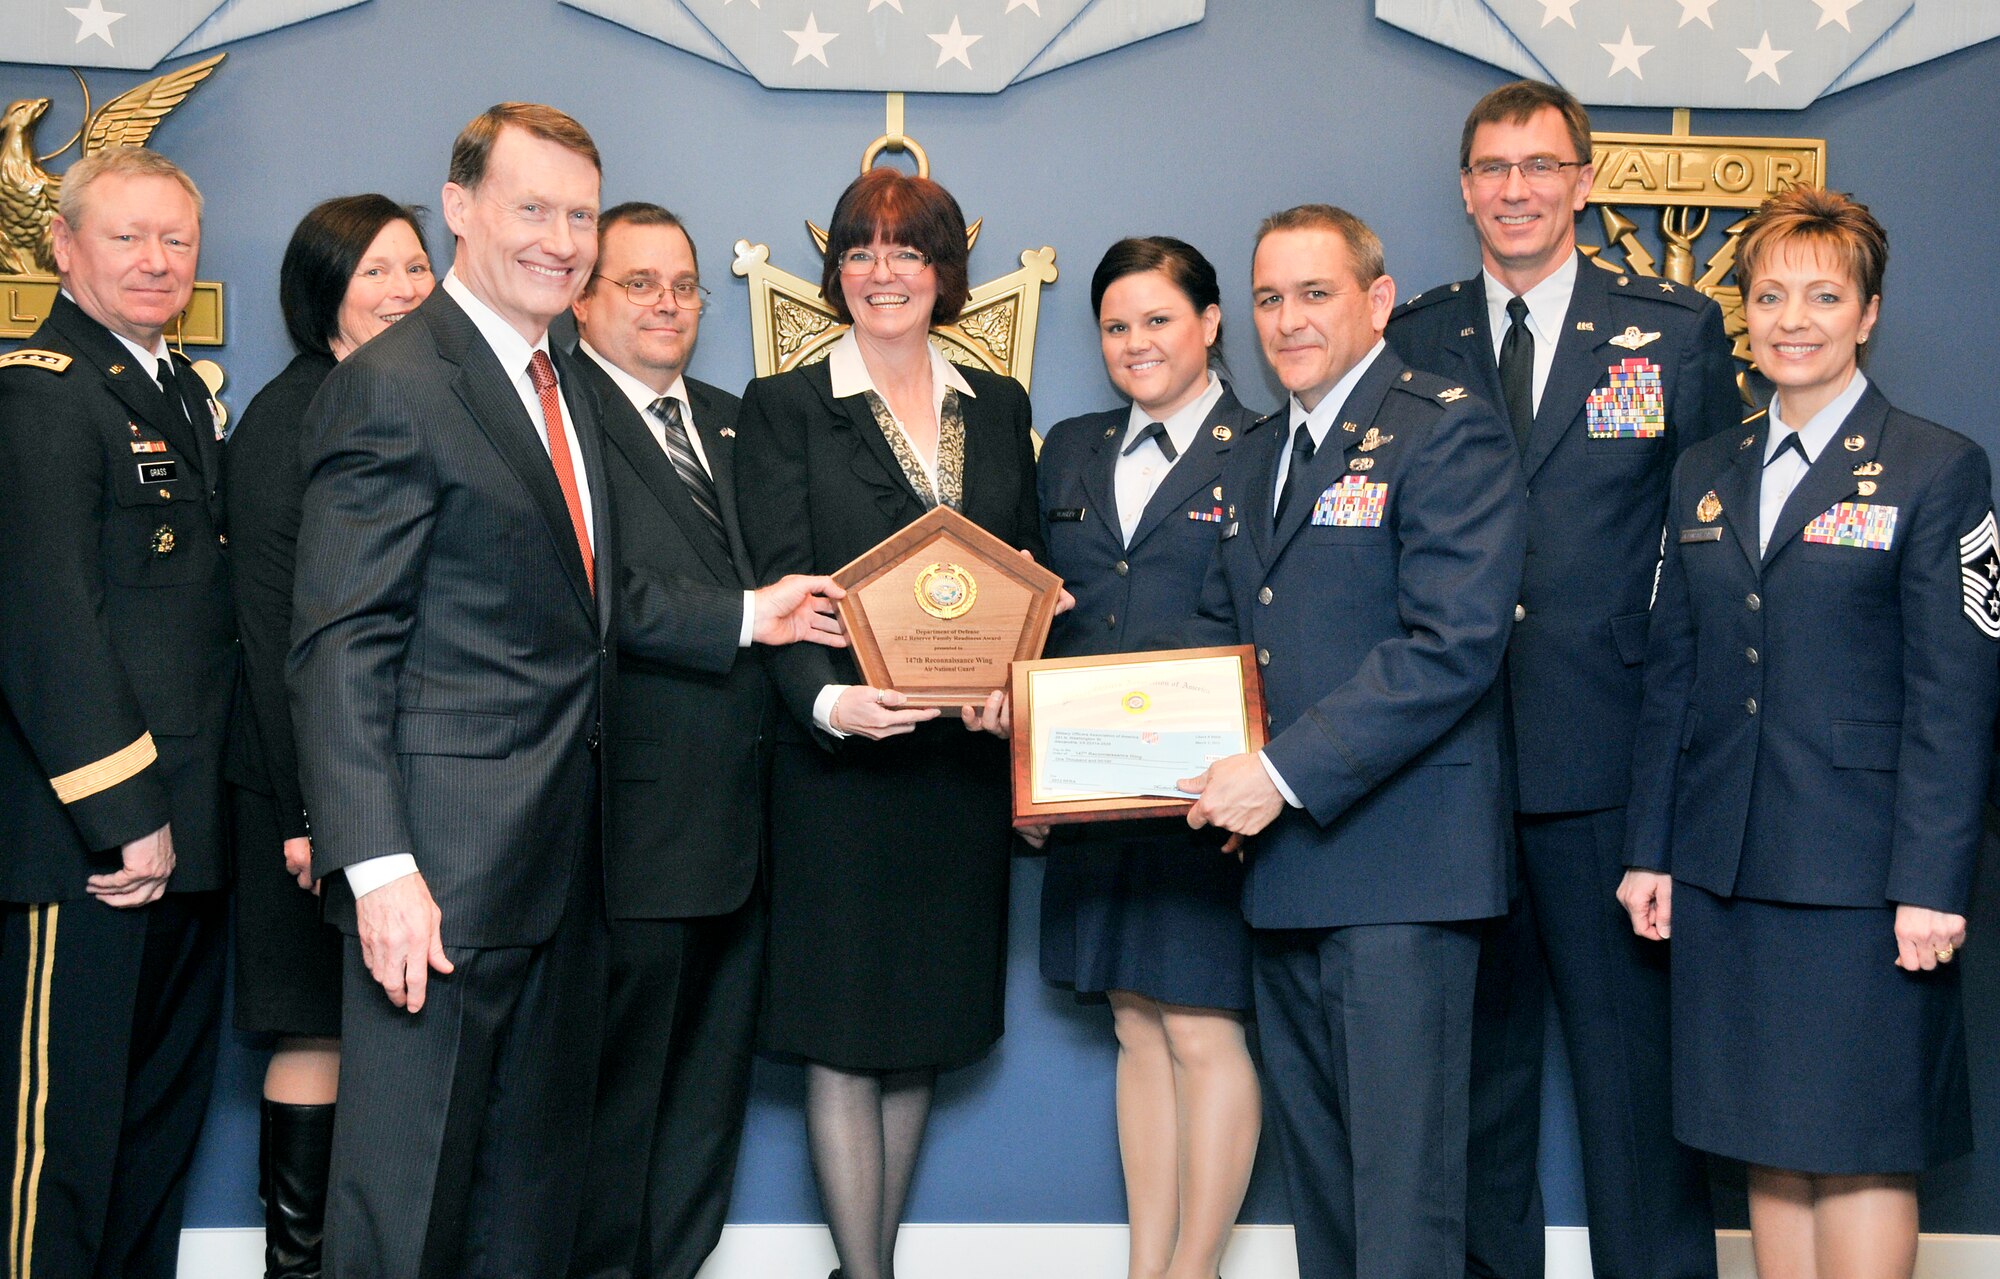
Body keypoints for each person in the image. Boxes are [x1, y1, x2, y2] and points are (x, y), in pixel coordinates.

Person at [1383, 79, 1738, 1279]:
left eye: (1540, 166)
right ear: (1466, 188)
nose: (1515, 189)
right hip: (1447, 767)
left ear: (1583, 182)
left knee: (1631, 1092)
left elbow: (1710, 553)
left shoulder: (1673, 333)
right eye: (1492, 168)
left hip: (1608, 764)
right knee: (1475, 1092)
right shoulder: (1414, 336)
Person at [1620, 186, 1997, 1279]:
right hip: (1724, 865)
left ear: (1866, 312)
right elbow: (1672, 676)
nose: (1793, 317)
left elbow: (1954, 691)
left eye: (1822, 295)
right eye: (1769, 293)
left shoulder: (1936, 466)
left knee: (1863, 1150)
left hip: (1863, 874)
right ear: (1740, 311)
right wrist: (1650, 846)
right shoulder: (1702, 471)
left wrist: (1932, 879)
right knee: (1765, 1148)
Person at [291, 102, 618, 1279]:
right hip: (435, 882)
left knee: (525, 1202)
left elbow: (579, 610)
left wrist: (752, 612)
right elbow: (340, 642)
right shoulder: (395, 382)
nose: (562, 238)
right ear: (461, 207)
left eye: (579, 213)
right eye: (533, 208)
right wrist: (376, 866)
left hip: (560, 868)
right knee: (408, 1202)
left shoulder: (560, 374)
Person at [1175, 204, 1524, 1279]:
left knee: (1403, 1199)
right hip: (1284, 874)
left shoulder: (1445, 425)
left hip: (1401, 875)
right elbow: (1220, 639)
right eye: (1269, 298)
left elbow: (1449, 645)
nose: (1288, 320)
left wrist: (1274, 774)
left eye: (1314, 293)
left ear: (1376, 301)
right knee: (1321, 1191)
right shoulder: (1253, 449)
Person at [733, 166, 1046, 1279]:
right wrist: (825, 700)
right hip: (840, 771)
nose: (881, 271)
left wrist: (1018, 682)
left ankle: (870, 1264)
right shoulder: (782, 406)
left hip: (958, 774)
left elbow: (1025, 579)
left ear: (943, 270)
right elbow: (771, 580)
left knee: (922, 1026)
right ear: (834, 273)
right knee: (844, 1030)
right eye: (859, 251)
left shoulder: (999, 405)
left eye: (906, 250)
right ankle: (863, 1275)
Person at [567, 202, 847, 1279]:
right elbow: (591, 592)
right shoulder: (559, 417)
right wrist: (742, 616)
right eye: (637, 282)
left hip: (752, 829)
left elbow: (807, 570)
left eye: (683, 283)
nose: (668, 303)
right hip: (627, 831)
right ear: (584, 296)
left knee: (705, 1109)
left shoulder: (740, 421)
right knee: (615, 1103)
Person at [0, 147, 234, 1279]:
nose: (156, 261)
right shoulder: (39, 394)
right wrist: (122, 810)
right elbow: (46, 620)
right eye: (128, 237)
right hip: (86, 849)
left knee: (151, 1145)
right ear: (63, 249)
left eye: (176, 240)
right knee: (58, 1158)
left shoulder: (173, 390)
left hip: (183, 841)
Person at [1035, 236, 1260, 1279]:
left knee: (1202, 1030)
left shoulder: (1264, 446)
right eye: (1116, 326)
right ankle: (1144, 1266)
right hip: (1092, 794)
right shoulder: (1069, 448)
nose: (1136, 343)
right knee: (1134, 1024)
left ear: (1210, 324)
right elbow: (1037, 614)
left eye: (1158, 319)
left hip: (1211, 794)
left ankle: (1194, 1267)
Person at [224, 193, 434, 1278]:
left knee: (388, 1040)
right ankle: (296, 1264)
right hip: (304, 793)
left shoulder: (415, 399)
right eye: (375, 273)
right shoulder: (289, 416)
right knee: (319, 1029)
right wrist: (313, 814)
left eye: (415, 268)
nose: (404, 288)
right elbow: (274, 633)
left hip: (402, 784)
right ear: (324, 296)